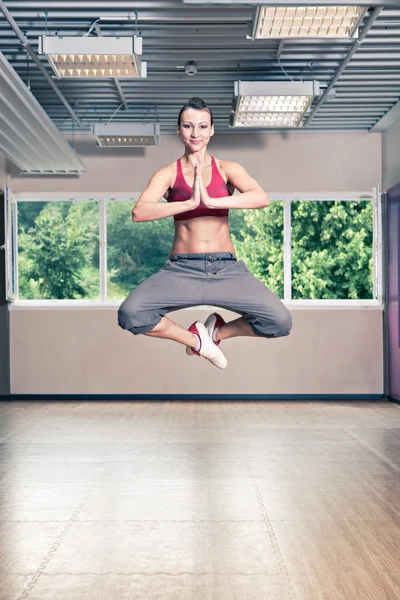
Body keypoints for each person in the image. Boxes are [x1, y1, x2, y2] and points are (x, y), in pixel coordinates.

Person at [118, 97, 292, 369]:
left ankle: (215, 333)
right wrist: (187, 203)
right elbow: (139, 212)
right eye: (188, 126)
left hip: (225, 269)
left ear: (212, 130)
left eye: (202, 126)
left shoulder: (227, 169)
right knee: (131, 314)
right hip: (182, 270)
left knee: (279, 321)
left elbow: (261, 198)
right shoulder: (168, 174)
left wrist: (213, 201)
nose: (195, 133)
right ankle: (197, 341)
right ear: (179, 130)